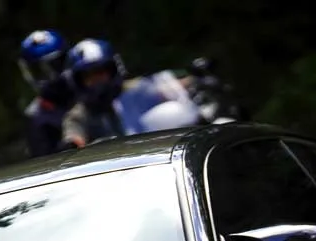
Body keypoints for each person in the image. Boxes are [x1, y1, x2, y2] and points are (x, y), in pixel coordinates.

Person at [59, 38, 203, 150]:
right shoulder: (79, 113)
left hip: (157, 151)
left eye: (100, 72)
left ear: (113, 70)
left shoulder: (134, 88)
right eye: (88, 76)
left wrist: (195, 80)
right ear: (78, 81)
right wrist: (73, 143)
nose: (96, 79)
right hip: (120, 170)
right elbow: (73, 134)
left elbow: (164, 88)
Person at [18, 29, 76, 158]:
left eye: (55, 65)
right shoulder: (37, 118)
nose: (52, 77)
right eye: (40, 71)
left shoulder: (86, 90)